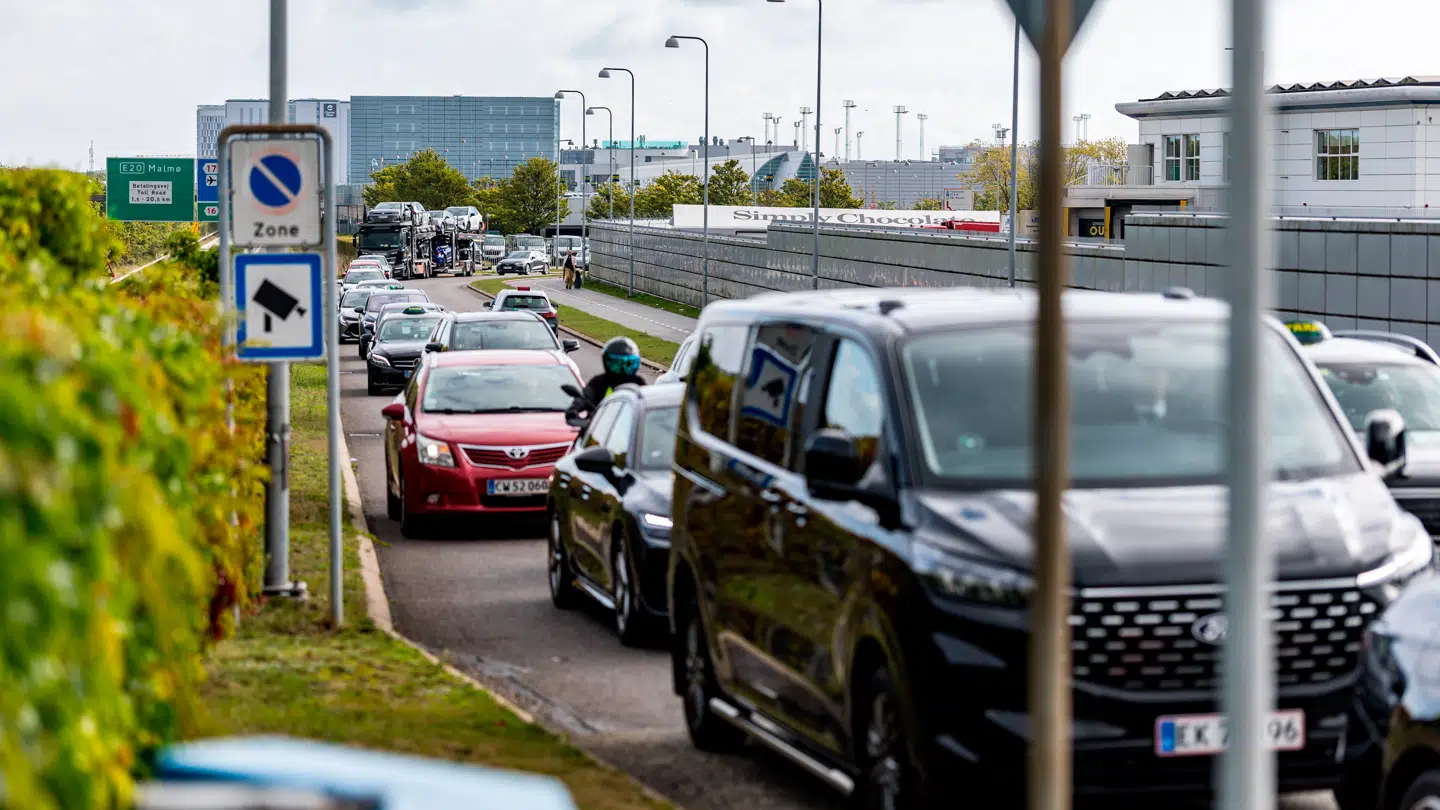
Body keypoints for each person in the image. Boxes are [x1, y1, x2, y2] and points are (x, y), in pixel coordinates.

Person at [568, 336, 645, 422]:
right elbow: (586, 396)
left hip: (630, 427)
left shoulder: (639, 383)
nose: (622, 368)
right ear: (607, 361)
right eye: (617, 364)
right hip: (598, 426)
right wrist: (574, 408)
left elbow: (649, 401)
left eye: (628, 364)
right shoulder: (598, 382)